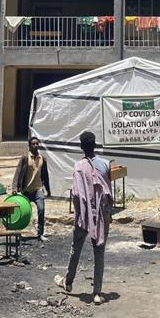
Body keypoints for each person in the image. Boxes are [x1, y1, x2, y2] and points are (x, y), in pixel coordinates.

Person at [55, 131, 112, 305]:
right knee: (99, 251)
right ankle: (97, 292)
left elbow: (77, 195)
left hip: (84, 216)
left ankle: (69, 282)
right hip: (102, 215)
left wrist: (81, 214)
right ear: (95, 145)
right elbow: (106, 189)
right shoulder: (105, 164)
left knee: (76, 248)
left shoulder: (78, 166)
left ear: (81, 147)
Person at [12, 136, 51, 241]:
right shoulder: (25, 158)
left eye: (37, 144)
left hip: (38, 190)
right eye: (33, 144)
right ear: (29, 146)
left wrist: (48, 189)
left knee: (41, 210)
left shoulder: (42, 159)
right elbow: (18, 173)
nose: (35, 146)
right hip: (25, 191)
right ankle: (18, 233)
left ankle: (40, 233)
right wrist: (15, 188)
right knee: (21, 212)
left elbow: (45, 176)